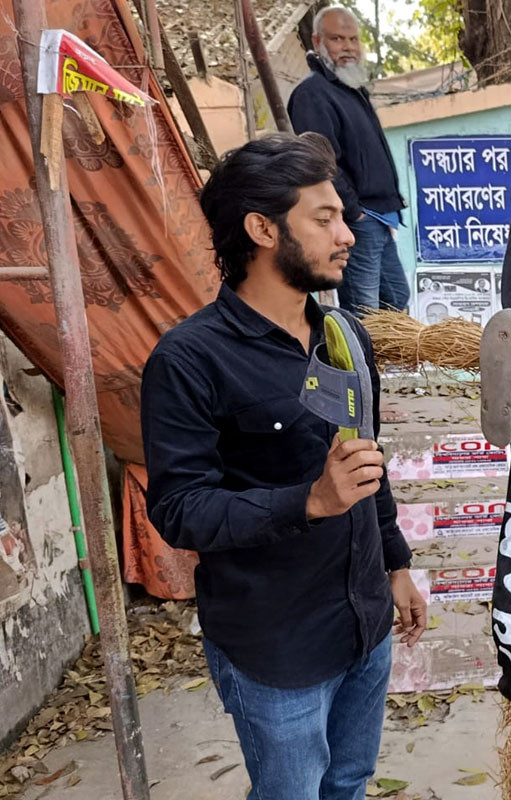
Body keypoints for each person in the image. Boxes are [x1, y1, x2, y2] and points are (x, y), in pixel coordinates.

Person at [141, 132, 427, 800]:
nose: (348, 234)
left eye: (343, 217)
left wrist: (397, 564)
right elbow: (180, 510)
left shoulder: (344, 334)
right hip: (278, 649)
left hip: (363, 622)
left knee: (349, 782)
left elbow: (366, 463)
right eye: (323, 218)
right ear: (263, 229)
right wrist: (308, 501)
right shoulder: (188, 360)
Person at [288, 6, 410, 314]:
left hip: (380, 219)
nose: (348, 48)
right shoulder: (312, 94)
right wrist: (354, 214)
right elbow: (324, 162)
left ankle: (385, 365)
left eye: (353, 39)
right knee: (364, 312)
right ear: (318, 41)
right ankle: (360, 365)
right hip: (358, 221)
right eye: (338, 39)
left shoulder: (352, 89)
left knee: (395, 300)